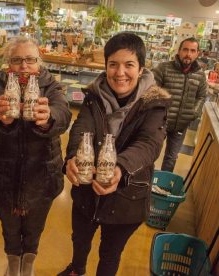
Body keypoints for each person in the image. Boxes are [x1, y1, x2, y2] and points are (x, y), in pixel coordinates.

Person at [57, 33, 172, 276]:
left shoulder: (155, 104)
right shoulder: (93, 96)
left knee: (110, 253)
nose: (120, 73)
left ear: (141, 68)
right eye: (113, 64)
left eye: (129, 64)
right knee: (80, 239)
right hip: (87, 189)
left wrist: (119, 168)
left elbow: (149, 143)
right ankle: (77, 269)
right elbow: (81, 129)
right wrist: (72, 158)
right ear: (106, 65)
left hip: (128, 196)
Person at [0, 36, 72, 276]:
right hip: (4, 175)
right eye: (17, 60)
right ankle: (13, 262)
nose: (24, 66)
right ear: (8, 63)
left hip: (41, 175)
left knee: (35, 227)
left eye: (30, 59)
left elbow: (63, 111)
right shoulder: (0, 83)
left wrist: (48, 117)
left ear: (39, 62)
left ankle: (28, 262)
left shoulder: (50, 85)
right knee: (9, 228)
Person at [153, 37, 208, 172]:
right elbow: (152, 91)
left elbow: (201, 96)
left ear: (197, 53)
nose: (188, 54)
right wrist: (158, 113)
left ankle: (162, 188)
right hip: (160, 123)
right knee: (151, 153)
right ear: (179, 51)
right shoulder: (164, 68)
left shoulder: (200, 75)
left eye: (192, 50)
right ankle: (144, 183)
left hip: (181, 125)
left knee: (171, 158)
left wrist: (194, 113)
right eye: (185, 49)